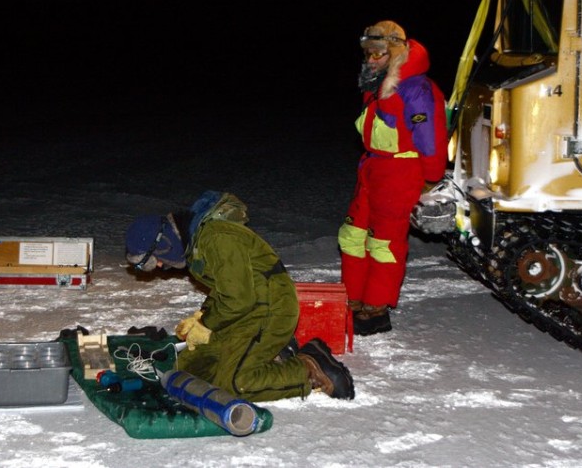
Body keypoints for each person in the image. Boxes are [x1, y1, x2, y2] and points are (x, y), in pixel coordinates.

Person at [125, 191, 355, 402]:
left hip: (268, 309)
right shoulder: (198, 244)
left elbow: (238, 298)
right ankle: (270, 357)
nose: (163, 266)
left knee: (235, 384)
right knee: (193, 369)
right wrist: (202, 315)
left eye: (157, 261)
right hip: (244, 310)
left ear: (163, 243)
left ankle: (308, 368)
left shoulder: (216, 237)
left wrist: (206, 325)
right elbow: (225, 289)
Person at [338, 20, 448, 336]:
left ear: (396, 54)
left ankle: (374, 309)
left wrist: (430, 179)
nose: (371, 60)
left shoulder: (415, 88)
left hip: (401, 172)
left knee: (383, 242)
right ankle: (353, 299)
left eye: (379, 54)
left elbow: (430, 137)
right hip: (373, 168)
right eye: (368, 54)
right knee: (352, 235)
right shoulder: (378, 83)